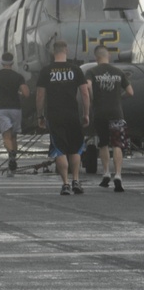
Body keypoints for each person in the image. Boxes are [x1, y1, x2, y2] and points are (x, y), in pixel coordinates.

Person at [35, 41, 90, 195]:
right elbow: (85, 93)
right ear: (66, 51)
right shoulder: (76, 69)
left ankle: (65, 183)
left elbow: (40, 95)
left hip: (55, 115)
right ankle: (76, 181)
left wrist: (40, 115)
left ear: (54, 52)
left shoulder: (46, 71)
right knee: (75, 149)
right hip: (72, 114)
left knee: (60, 150)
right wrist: (86, 113)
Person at [85, 46, 133, 192]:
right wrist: (119, 97)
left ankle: (106, 173)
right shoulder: (118, 72)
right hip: (116, 112)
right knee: (117, 144)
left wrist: (94, 98)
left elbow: (87, 86)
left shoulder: (92, 71)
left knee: (103, 143)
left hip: (100, 112)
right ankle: (118, 175)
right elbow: (130, 92)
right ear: (109, 56)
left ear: (96, 57)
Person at [0, 52, 29, 174]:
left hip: (1, 109)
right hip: (16, 109)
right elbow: (26, 93)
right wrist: (18, 93)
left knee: (6, 136)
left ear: (2, 62)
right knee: (14, 136)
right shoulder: (18, 76)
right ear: (12, 63)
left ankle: (11, 155)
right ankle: (13, 159)